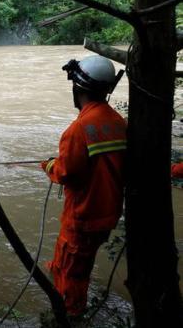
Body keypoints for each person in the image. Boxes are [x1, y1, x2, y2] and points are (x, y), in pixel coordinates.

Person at [41, 55, 127, 316]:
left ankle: (70, 316)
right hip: (107, 214)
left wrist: (48, 166)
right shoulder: (118, 122)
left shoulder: (78, 129)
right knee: (73, 264)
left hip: (83, 217)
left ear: (77, 88)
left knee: (71, 273)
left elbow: (66, 173)